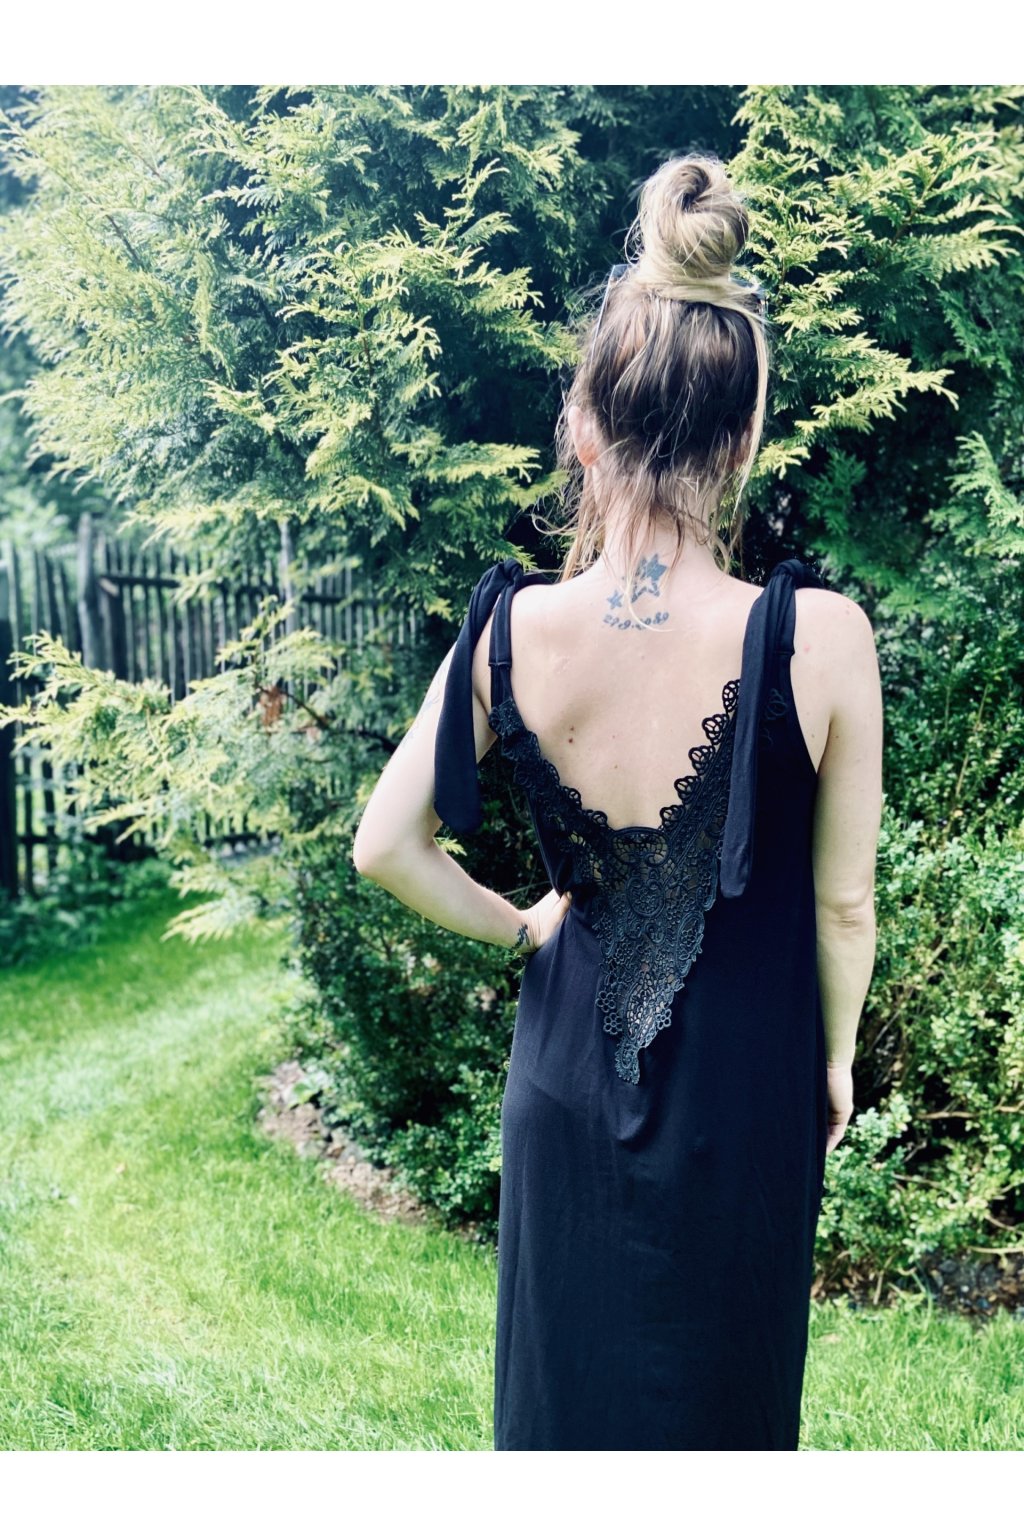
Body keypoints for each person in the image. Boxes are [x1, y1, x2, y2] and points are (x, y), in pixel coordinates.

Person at [352, 153, 883, 1451]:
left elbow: (386, 845)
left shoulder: (513, 634)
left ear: (582, 427)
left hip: (565, 1094)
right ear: (743, 440)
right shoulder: (823, 640)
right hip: (749, 1096)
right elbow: (844, 906)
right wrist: (833, 1059)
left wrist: (521, 924)